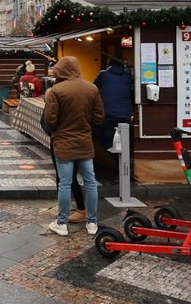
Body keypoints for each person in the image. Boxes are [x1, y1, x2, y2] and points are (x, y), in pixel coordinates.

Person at [44, 56, 104, 237]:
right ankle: (92, 222)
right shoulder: (92, 88)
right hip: (85, 142)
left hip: (63, 143)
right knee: (91, 182)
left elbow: (50, 120)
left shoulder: (56, 90)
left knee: (65, 183)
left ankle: (61, 223)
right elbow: (99, 117)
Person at [93, 58, 134, 151]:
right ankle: (124, 161)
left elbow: (93, 89)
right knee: (125, 142)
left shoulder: (103, 75)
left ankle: (110, 162)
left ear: (108, 65)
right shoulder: (128, 76)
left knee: (105, 141)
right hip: (126, 114)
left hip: (108, 114)